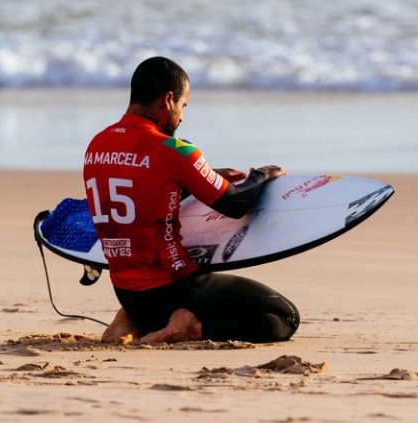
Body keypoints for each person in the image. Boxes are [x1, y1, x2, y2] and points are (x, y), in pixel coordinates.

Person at [83, 57, 300, 344]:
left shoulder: (97, 145)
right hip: (173, 286)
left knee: (154, 300)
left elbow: (147, 194)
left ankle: (130, 318)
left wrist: (198, 178)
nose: (182, 117)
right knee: (283, 318)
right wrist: (262, 175)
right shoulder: (172, 150)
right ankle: (190, 327)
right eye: (183, 106)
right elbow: (235, 205)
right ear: (168, 100)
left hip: (127, 291)